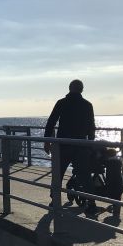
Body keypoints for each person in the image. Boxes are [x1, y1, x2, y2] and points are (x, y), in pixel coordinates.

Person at [44, 80, 97, 214]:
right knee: (85, 175)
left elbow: (51, 122)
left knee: (58, 173)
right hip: (81, 145)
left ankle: (54, 200)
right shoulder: (87, 105)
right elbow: (91, 127)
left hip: (63, 144)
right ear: (82, 90)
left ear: (69, 88)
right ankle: (91, 202)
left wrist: (47, 141)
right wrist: (90, 143)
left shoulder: (62, 103)